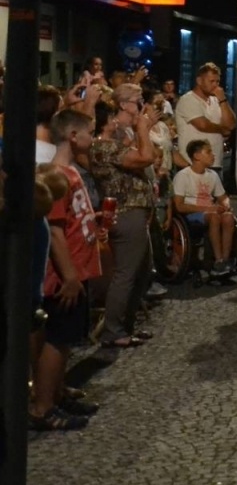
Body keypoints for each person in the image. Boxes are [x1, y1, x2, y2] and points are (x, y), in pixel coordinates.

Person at [32, 112, 102, 432]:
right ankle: (43, 406)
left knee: (67, 338)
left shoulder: (72, 172)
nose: (94, 137)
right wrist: (70, 274)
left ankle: (56, 393)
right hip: (64, 275)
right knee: (58, 338)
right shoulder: (58, 174)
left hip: (78, 267)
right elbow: (56, 231)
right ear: (73, 135)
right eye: (90, 132)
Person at [89, 83, 161, 350]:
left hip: (136, 211)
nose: (140, 105)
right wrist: (143, 128)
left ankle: (125, 326)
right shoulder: (103, 147)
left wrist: (142, 128)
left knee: (141, 272)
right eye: (136, 101)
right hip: (126, 211)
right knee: (126, 274)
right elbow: (144, 158)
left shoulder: (113, 144)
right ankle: (113, 330)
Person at [172, 139, 237, 283]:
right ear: (196, 156)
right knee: (214, 216)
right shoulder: (183, 176)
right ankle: (218, 260)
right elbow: (179, 206)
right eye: (208, 152)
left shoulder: (212, 176)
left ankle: (225, 260)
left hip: (209, 211)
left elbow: (223, 197)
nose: (213, 155)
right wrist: (209, 208)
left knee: (228, 217)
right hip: (190, 215)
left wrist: (226, 205)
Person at [174, 63, 236, 170]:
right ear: (199, 81)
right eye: (211, 81)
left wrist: (222, 100)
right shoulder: (188, 100)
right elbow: (202, 125)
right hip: (192, 166)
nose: (215, 85)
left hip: (216, 164)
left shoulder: (217, 101)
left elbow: (231, 125)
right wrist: (222, 130)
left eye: (217, 82)